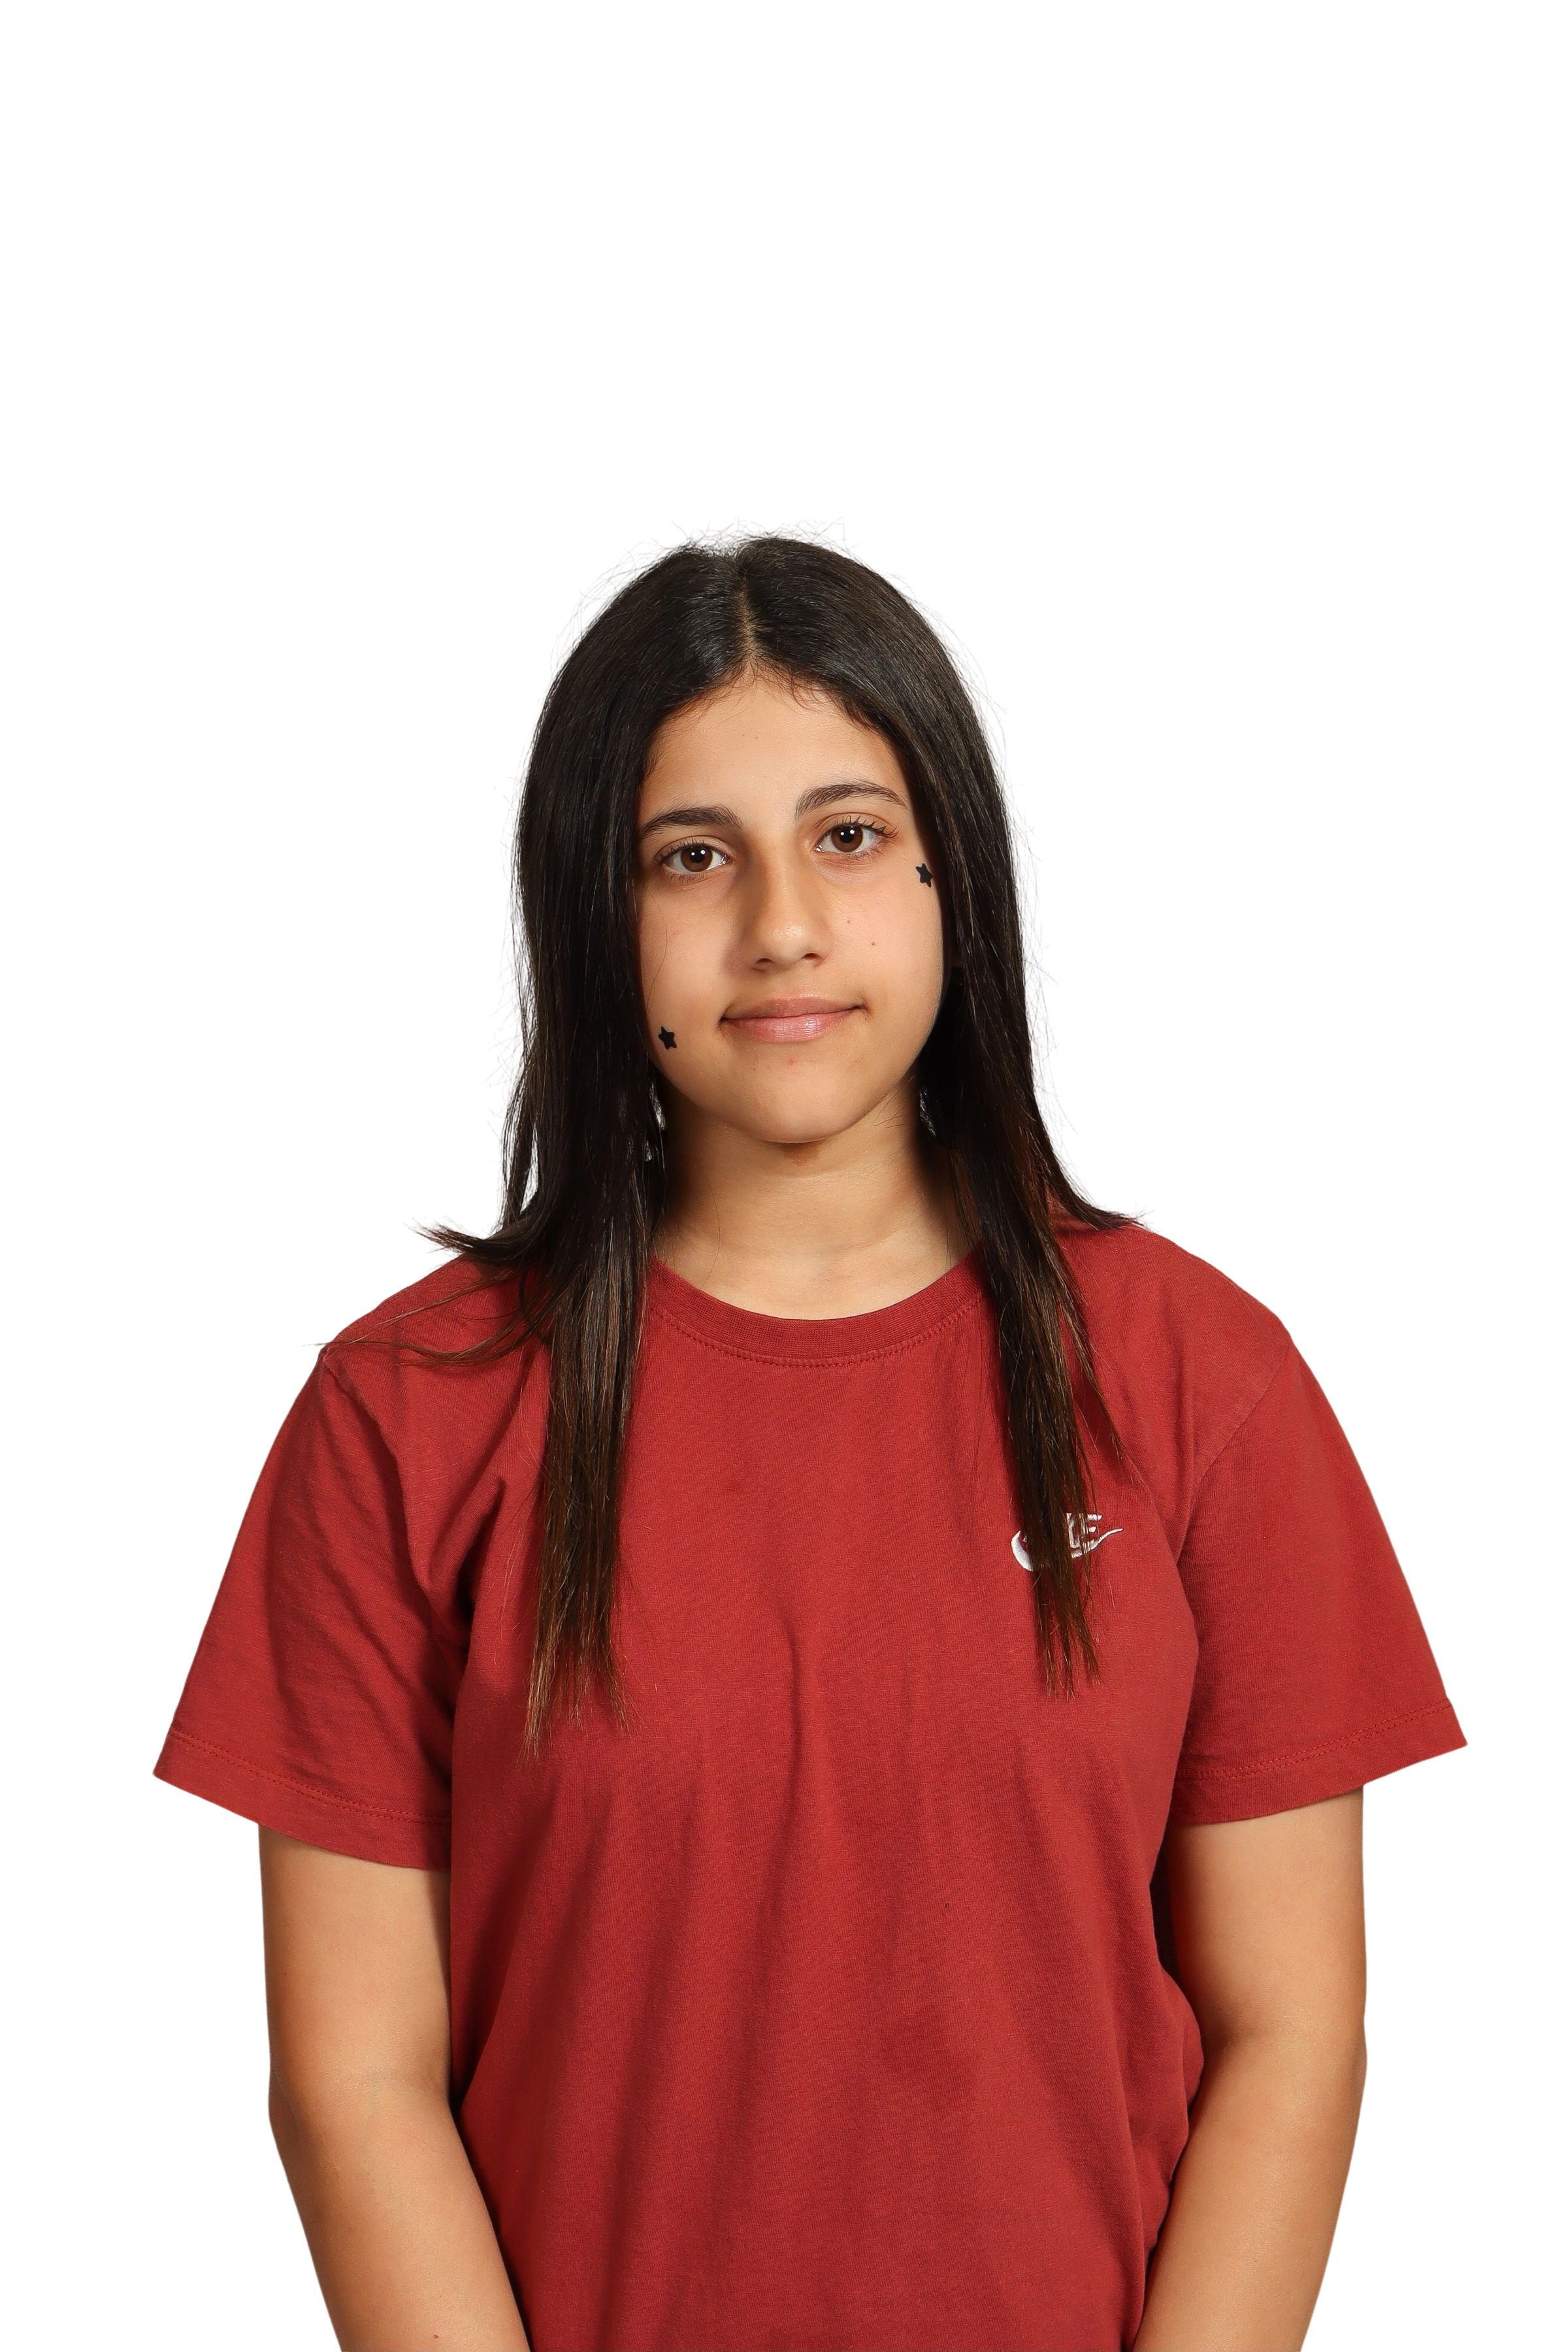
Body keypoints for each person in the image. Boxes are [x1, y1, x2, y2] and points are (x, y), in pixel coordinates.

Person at [148, 515, 1469, 2352]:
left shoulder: (1199, 1378)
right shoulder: (404, 1414)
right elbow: (352, 2081)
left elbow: (1293, 2034)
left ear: (958, 874)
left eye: (849, 835)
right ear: (594, 915)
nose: (781, 925)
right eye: (692, 856)